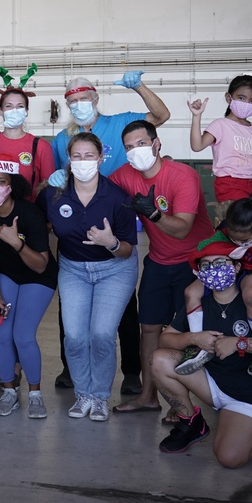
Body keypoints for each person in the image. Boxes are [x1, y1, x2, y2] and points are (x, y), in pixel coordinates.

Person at [49, 71, 170, 392]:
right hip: (75, 231)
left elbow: (161, 115)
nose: (78, 105)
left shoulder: (119, 124)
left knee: (123, 306)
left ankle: (131, 371)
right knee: (71, 311)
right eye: (71, 101)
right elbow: (58, 178)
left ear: (96, 98)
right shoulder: (62, 139)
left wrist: (139, 87)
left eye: (83, 99)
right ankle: (69, 369)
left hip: (116, 226)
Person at [151, 235, 252, 467]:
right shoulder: (200, 301)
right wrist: (194, 338)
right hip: (213, 384)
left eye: (221, 263)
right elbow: (165, 338)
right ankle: (192, 422)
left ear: (237, 266)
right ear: (199, 273)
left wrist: (240, 343)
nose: (214, 270)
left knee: (229, 458)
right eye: (206, 265)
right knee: (160, 360)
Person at [109, 120, 214, 415]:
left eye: (141, 144)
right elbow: (101, 193)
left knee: (183, 332)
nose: (135, 152)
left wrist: (153, 214)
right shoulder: (124, 175)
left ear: (157, 144)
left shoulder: (183, 176)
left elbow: (182, 230)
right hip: (158, 261)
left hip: (194, 261)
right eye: (129, 147)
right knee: (150, 329)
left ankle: (181, 402)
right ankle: (148, 396)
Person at [39, 133, 138, 421]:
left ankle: (100, 397)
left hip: (114, 269)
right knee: (74, 336)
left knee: (103, 334)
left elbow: (128, 249)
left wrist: (111, 243)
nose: (83, 162)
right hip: (73, 269)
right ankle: (83, 394)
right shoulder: (54, 194)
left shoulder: (117, 197)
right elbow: (39, 223)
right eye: (77, 157)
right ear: (68, 161)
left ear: (101, 159)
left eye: (89, 156)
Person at [0, 155, 58, 418]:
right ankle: (9, 391)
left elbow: (41, 265)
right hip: (7, 275)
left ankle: (34, 394)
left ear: (12, 184)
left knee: (23, 335)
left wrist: (15, 242)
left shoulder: (29, 213)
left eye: (1, 181)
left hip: (37, 277)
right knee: (2, 334)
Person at [176, 195, 252, 377]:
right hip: (226, 268)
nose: (238, 243)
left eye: (244, 240)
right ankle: (198, 347)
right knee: (190, 292)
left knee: (251, 295)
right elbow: (209, 248)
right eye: (234, 239)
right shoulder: (224, 227)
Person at [188, 75, 252, 203]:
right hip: (230, 183)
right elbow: (197, 146)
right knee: (243, 219)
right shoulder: (221, 125)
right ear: (228, 98)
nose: (246, 104)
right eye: (241, 98)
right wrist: (196, 116)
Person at [0, 67, 55, 199]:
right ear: (0, 111)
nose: (14, 110)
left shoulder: (41, 146)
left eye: (20, 106)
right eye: (9, 106)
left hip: (29, 215)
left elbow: (48, 190)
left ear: (26, 111)